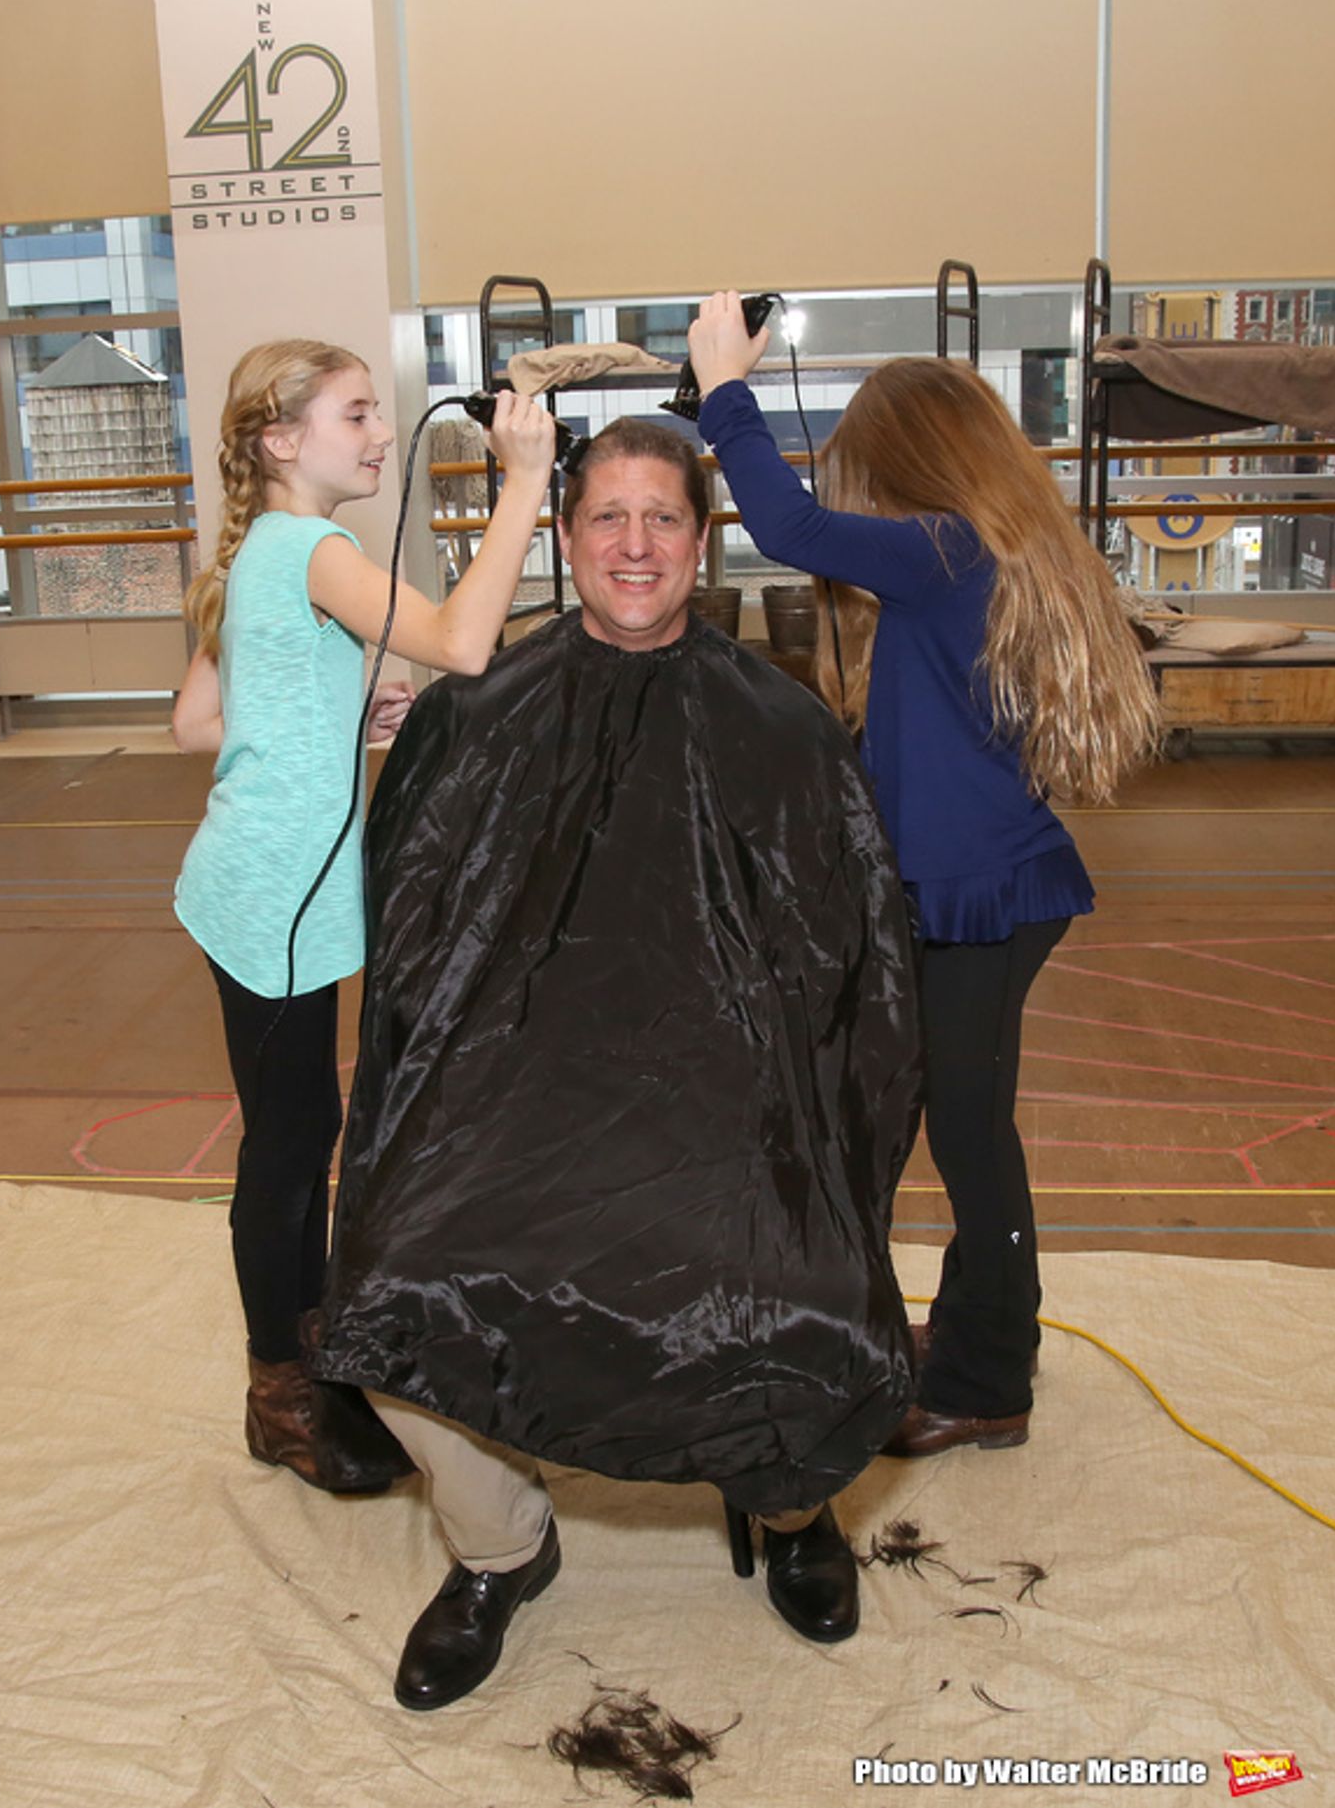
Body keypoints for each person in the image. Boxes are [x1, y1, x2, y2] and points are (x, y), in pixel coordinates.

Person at [309, 417, 921, 1709]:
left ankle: (791, 1506)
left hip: (732, 1115)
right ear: (564, 536)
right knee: (389, 1284)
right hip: (517, 1106)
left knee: (812, 1293)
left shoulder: (783, 724)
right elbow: (424, 955)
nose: (635, 545)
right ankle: (499, 1548)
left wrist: (801, 1133)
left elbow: (850, 970)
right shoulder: (480, 711)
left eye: (663, 519)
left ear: (703, 544)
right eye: (607, 518)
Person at [687, 291, 1160, 1458]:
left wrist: (721, 392)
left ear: (905, 461)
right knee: (960, 1124)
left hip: (973, 896)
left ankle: (986, 1375)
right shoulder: (984, 553)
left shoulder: (945, 548)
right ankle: (975, 1333)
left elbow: (789, 528)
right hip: (984, 882)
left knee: (970, 1137)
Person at [171, 338, 555, 1495]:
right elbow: (462, 642)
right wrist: (526, 481)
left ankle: (309, 1357)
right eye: (355, 416)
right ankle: (280, 1391)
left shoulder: (258, 553)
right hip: (274, 895)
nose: (380, 434)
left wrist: (340, 699)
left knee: (300, 1133)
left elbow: (200, 719)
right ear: (282, 441)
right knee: (286, 1153)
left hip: (255, 880)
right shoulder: (314, 547)